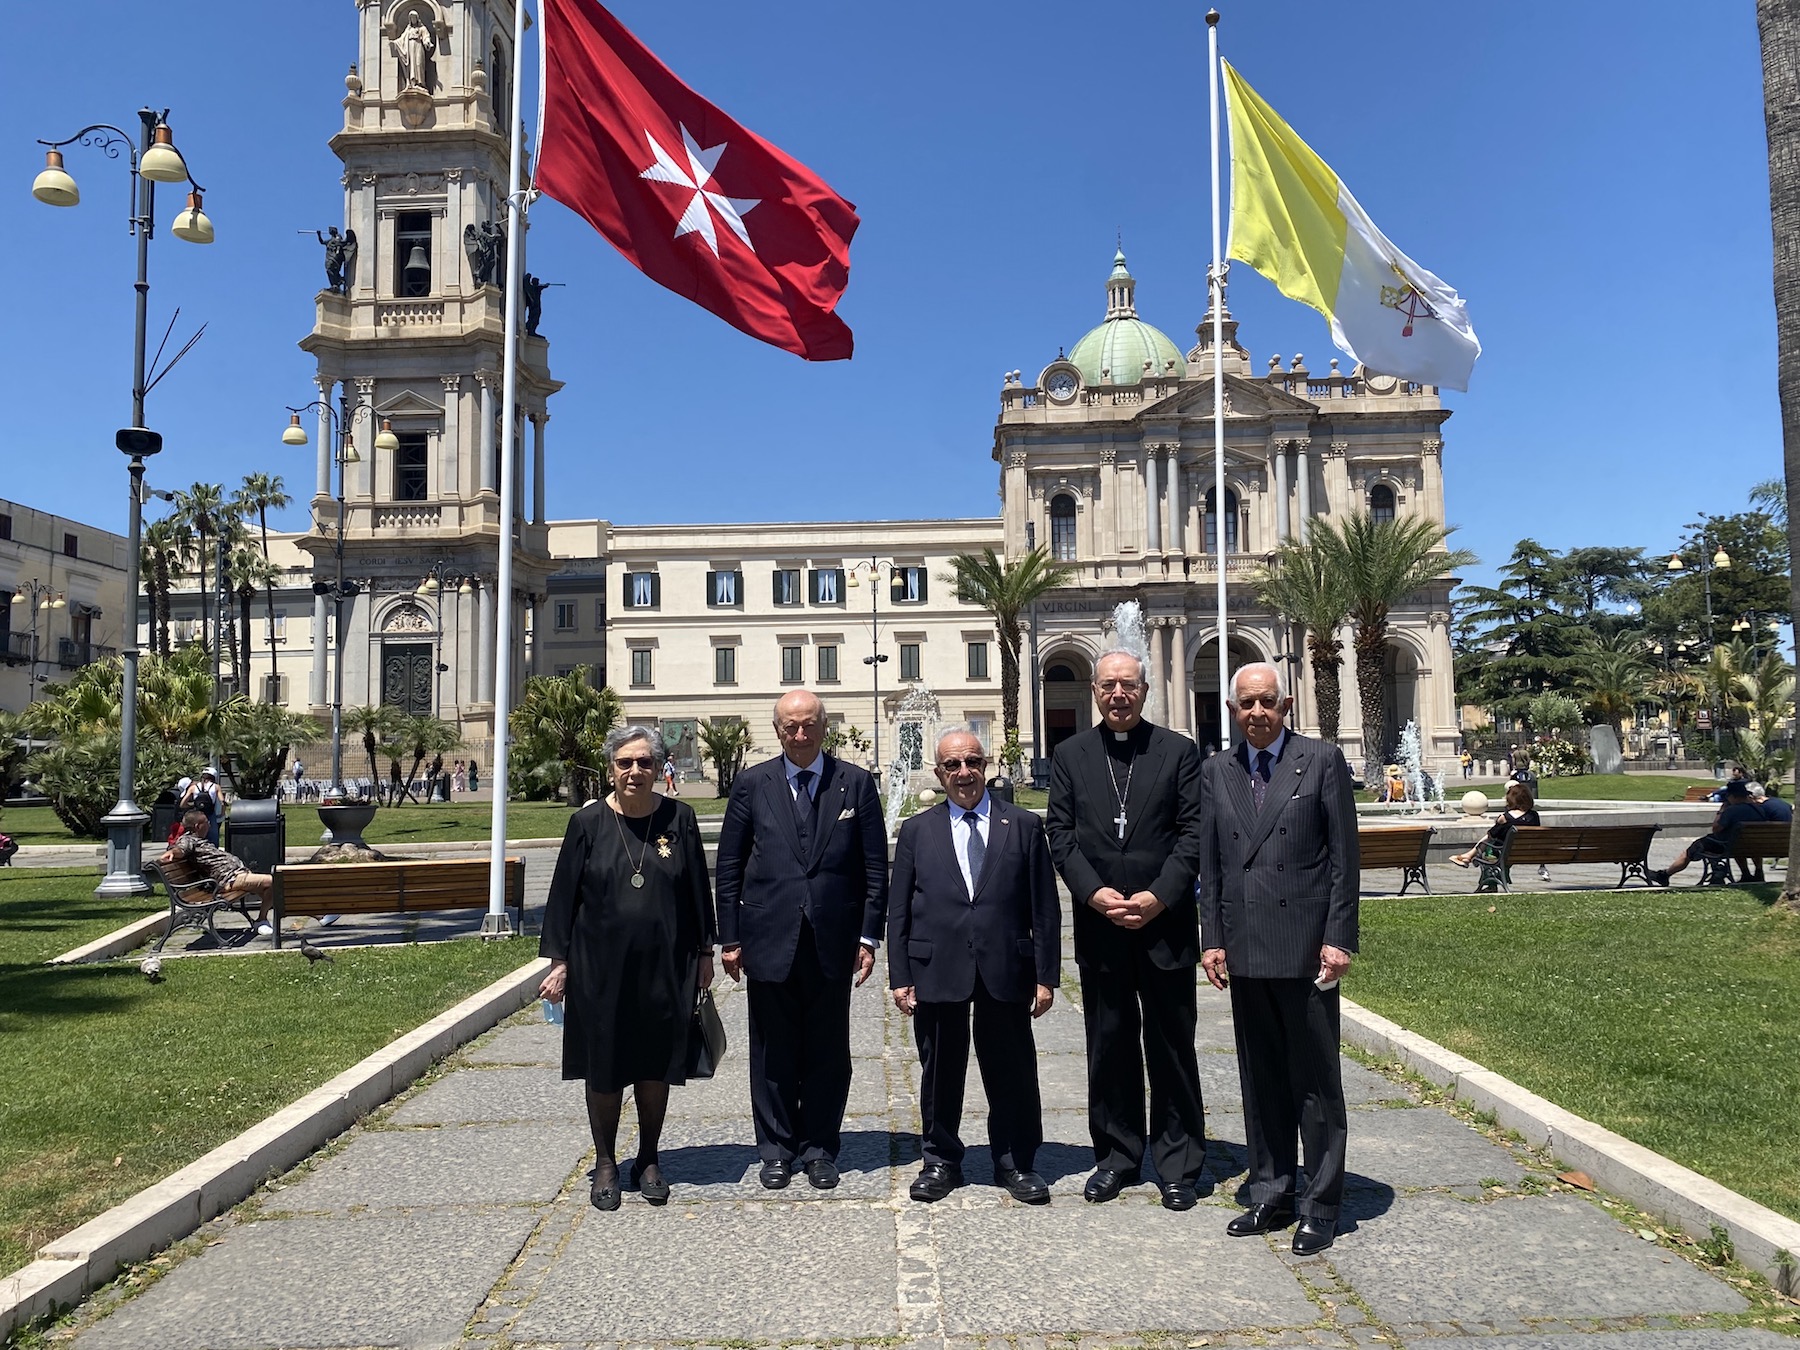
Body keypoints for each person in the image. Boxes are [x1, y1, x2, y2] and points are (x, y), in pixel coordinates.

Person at [1196, 662, 1360, 1256]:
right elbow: (1210, 867)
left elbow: (1344, 859)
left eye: (1267, 702)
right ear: (1233, 710)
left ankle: (1320, 1203)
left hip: (1307, 946)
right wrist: (1211, 939)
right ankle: (1269, 1187)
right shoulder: (1217, 770)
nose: (1257, 713)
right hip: (1244, 949)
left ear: (1286, 706)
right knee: (1261, 1078)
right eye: (1246, 704)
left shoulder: (1320, 761)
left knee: (1315, 1082)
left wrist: (1339, 938)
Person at [1045, 647, 1208, 1211]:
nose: (1119, 695)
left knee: (1171, 1046)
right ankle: (1115, 1155)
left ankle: (1178, 1162)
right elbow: (1060, 834)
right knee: (1108, 1045)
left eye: (1129, 686)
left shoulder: (1178, 752)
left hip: (1165, 927)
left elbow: (1193, 835)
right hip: (1102, 926)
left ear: (1144, 691)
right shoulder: (1069, 754)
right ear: (1095, 690)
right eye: (1109, 685)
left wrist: (1158, 897)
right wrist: (1094, 894)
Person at [538, 725, 716, 1211]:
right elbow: (562, 898)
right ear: (610, 769)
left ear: (659, 769)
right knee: (606, 1065)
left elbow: (698, 889)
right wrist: (559, 962)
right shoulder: (587, 822)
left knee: (656, 1065)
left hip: (666, 965)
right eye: (625, 763)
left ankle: (650, 1158)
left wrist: (705, 953)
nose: (635, 771)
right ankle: (606, 1163)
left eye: (644, 763)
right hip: (599, 970)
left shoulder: (679, 818)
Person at [715, 690, 887, 1191]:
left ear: (824, 727)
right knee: (772, 1050)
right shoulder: (752, 784)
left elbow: (874, 868)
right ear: (777, 730)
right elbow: (729, 867)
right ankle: (775, 1149)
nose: (800, 733)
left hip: (834, 940)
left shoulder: (854, 784)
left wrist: (869, 936)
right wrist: (729, 938)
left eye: (809, 724)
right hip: (767, 937)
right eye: (790, 726)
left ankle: (819, 1148)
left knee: (828, 1051)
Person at [888, 729, 1060, 1205]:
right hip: (936, 966)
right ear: (939, 773)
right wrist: (900, 975)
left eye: (972, 762)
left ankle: (1015, 1161)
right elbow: (898, 909)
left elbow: (1044, 907)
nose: (963, 773)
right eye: (952, 765)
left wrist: (1046, 975)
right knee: (940, 1069)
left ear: (985, 766)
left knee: (1012, 1069)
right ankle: (940, 1160)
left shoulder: (1023, 826)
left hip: (1006, 966)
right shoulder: (918, 831)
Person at [159, 807, 276, 937]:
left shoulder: (198, 840)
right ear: (198, 826)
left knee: (272, 889)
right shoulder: (188, 839)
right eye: (206, 822)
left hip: (237, 875)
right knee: (273, 881)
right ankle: (261, 921)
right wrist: (172, 852)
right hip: (228, 880)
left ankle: (265, 920)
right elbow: (181, 849)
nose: (209, 824)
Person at [1650, 778, 1765, 885]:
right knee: (1738, 844)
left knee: (1691, 851)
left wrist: (1721, 812)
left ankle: (1665, 875)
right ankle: (1754, 872)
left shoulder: (1731, 810)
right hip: (1751, 846)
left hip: (1725, 845)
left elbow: (1716, 829)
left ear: (1732, 796)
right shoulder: (1759, 809)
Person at [1449, 783, 1539, 868]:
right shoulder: (1534, 816)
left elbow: (1491, 835)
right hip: (1528, 853)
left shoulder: (1505, 818)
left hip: (1504, 853)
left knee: (1488, 842)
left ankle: (1469, 857)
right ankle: (1468, 856)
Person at [180, 768, 224, 845]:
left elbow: (182, 804)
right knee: (213, 839)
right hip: (210, 814)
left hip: (197, 816)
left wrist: (193, 805)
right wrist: (222, 813)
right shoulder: (216, 787)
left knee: (196, 837)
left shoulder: (193, 787)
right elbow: (223, 802)